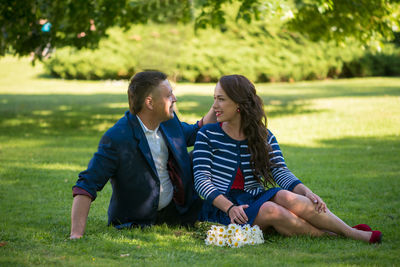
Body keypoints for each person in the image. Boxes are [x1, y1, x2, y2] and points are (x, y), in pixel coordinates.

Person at [192, 74, 382, 244]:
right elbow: (201, 180)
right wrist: (230, 207)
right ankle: (332, 236)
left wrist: (306, 192)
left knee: (284, 196)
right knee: (270, 209)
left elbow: (279, 171)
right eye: (214, 99)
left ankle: (349, 232)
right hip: (221, 209)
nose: (214, 106)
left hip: (253, 198)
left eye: (221, 99)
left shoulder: (262, 135)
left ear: (239, 104)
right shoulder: (207, 134)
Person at [70, 70, 216, 239]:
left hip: (178, 213)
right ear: (150, 103)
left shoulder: (169, 122)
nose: (174, 99)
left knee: (199, 153)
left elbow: (195, 132)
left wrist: (218, 103)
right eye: (169, 95)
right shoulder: (117, 138)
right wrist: (76, 234)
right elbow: (87, 185)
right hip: (138, 220)